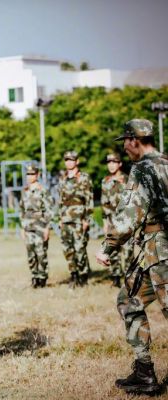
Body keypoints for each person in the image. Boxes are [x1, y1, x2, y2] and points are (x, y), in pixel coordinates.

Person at [96, 119, 167, 396]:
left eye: (125, 142)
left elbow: (129, 216)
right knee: (129, 300)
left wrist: (107, 247)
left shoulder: (143, 169)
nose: (124, 149)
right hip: (152, 252)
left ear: (134, 140)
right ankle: (144, 372)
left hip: (161, 252)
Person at [58, 151, 94, 287]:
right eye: (66, 160)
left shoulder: (84, 178)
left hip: (79, 219)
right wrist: (59, 218)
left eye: (71, 160)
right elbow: (60, 201)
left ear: (77, 161)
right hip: (65, 219)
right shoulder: (62, 178)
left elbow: (89, 200)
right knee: (67, 249)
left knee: (80, 249)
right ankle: (73, 275)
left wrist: (87, 219)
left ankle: (83, 276)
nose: (68, 162)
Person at [101, 152, 133, 287]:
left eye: (114, 162)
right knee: (112, 252)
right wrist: (104, 223)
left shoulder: (128, 180)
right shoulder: (105, 181)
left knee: (127, 253)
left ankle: (128, 280)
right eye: (109, 162)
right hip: (111, 222)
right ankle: (115, 278)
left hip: (125, 223)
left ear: (120, 164)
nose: (111, 165)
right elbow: (104, 205)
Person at [19, 165, 54, 288]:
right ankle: (34, 277)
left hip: (40, 226)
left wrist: (47, 228)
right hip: (28, 227)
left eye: (32, 174)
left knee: (41, 253)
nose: (30, 177)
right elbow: (22, 210)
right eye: (28, 174)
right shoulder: (25, 190)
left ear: (37, 175)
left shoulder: (43, 190)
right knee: (31, 254)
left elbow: (49, 210)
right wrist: (22, 228)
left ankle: (42, 278)